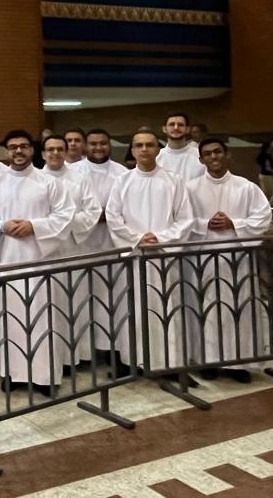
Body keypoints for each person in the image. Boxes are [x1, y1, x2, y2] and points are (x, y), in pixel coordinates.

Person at [0, 130, 75, 397]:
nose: (19, 151)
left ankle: (45, 377)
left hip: (40, 262)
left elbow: (65, 216)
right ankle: (13, 373)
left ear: (32, 150)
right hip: (7, 264)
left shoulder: (49, 182)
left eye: (23, 146)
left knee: (42, 317)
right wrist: (3, 226)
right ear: (6, 151)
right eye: (13, 147)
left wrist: (34, 226)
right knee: (9, 318)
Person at [106, 130, 194, 379]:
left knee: (167, 309)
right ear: (132, 151)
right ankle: (132, 361)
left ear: (158, 149)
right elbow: (114, 217)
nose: (144, 149)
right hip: (134, 258)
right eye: (139, 145)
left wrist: (161, 239)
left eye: (150, 145)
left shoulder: (174, 181)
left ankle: (170, 363)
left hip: (163, 259)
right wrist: (137, 239)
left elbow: (185, 218)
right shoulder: (122, 182)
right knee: (132, 309)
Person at [186, 138, 271, 383]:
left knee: (240, 309)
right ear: (201, 159)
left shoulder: (246, 187)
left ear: (227, 155)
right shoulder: (190, 189)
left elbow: (263, 217)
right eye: (208, 154)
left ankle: (239, 363)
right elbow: (182, 219)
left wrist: (236, 223)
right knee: (206, 310)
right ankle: (208, 361)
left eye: (218, 152)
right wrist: (205, 224)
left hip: (238, 258)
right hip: (203, 259)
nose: (213, 157)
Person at [40, 135, 101, 369]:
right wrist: (51, 226)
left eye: (59, 149)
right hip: (46, 252)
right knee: (49, 305)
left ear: (66, 152)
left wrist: (65, 224)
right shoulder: (37, 179)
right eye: (50, 149)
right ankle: (51, 358)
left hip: (74, 248)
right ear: (43, 154)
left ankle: (75, 357)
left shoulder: (80, 178)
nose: (55, 153)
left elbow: (93, 210)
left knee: (75, 303)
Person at [81, 128, 128, 358]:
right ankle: (84, 351)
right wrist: (92, 216)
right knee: (83, 298)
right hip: (82, 245)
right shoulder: (74, 172)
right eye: (93, 144)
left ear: (110, 145)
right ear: (84, 147)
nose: (98, 148)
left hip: (113, 244)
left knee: (113, 299)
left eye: (103, 143)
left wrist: (108, 216)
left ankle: (113, 349)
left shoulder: (123, 173)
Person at [156, 112, 202, 180]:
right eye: (171, 124)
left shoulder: (199, 155)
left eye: (180, 125)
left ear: (187, 129)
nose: (176, 128)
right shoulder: (156, 157)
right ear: (164, 129)